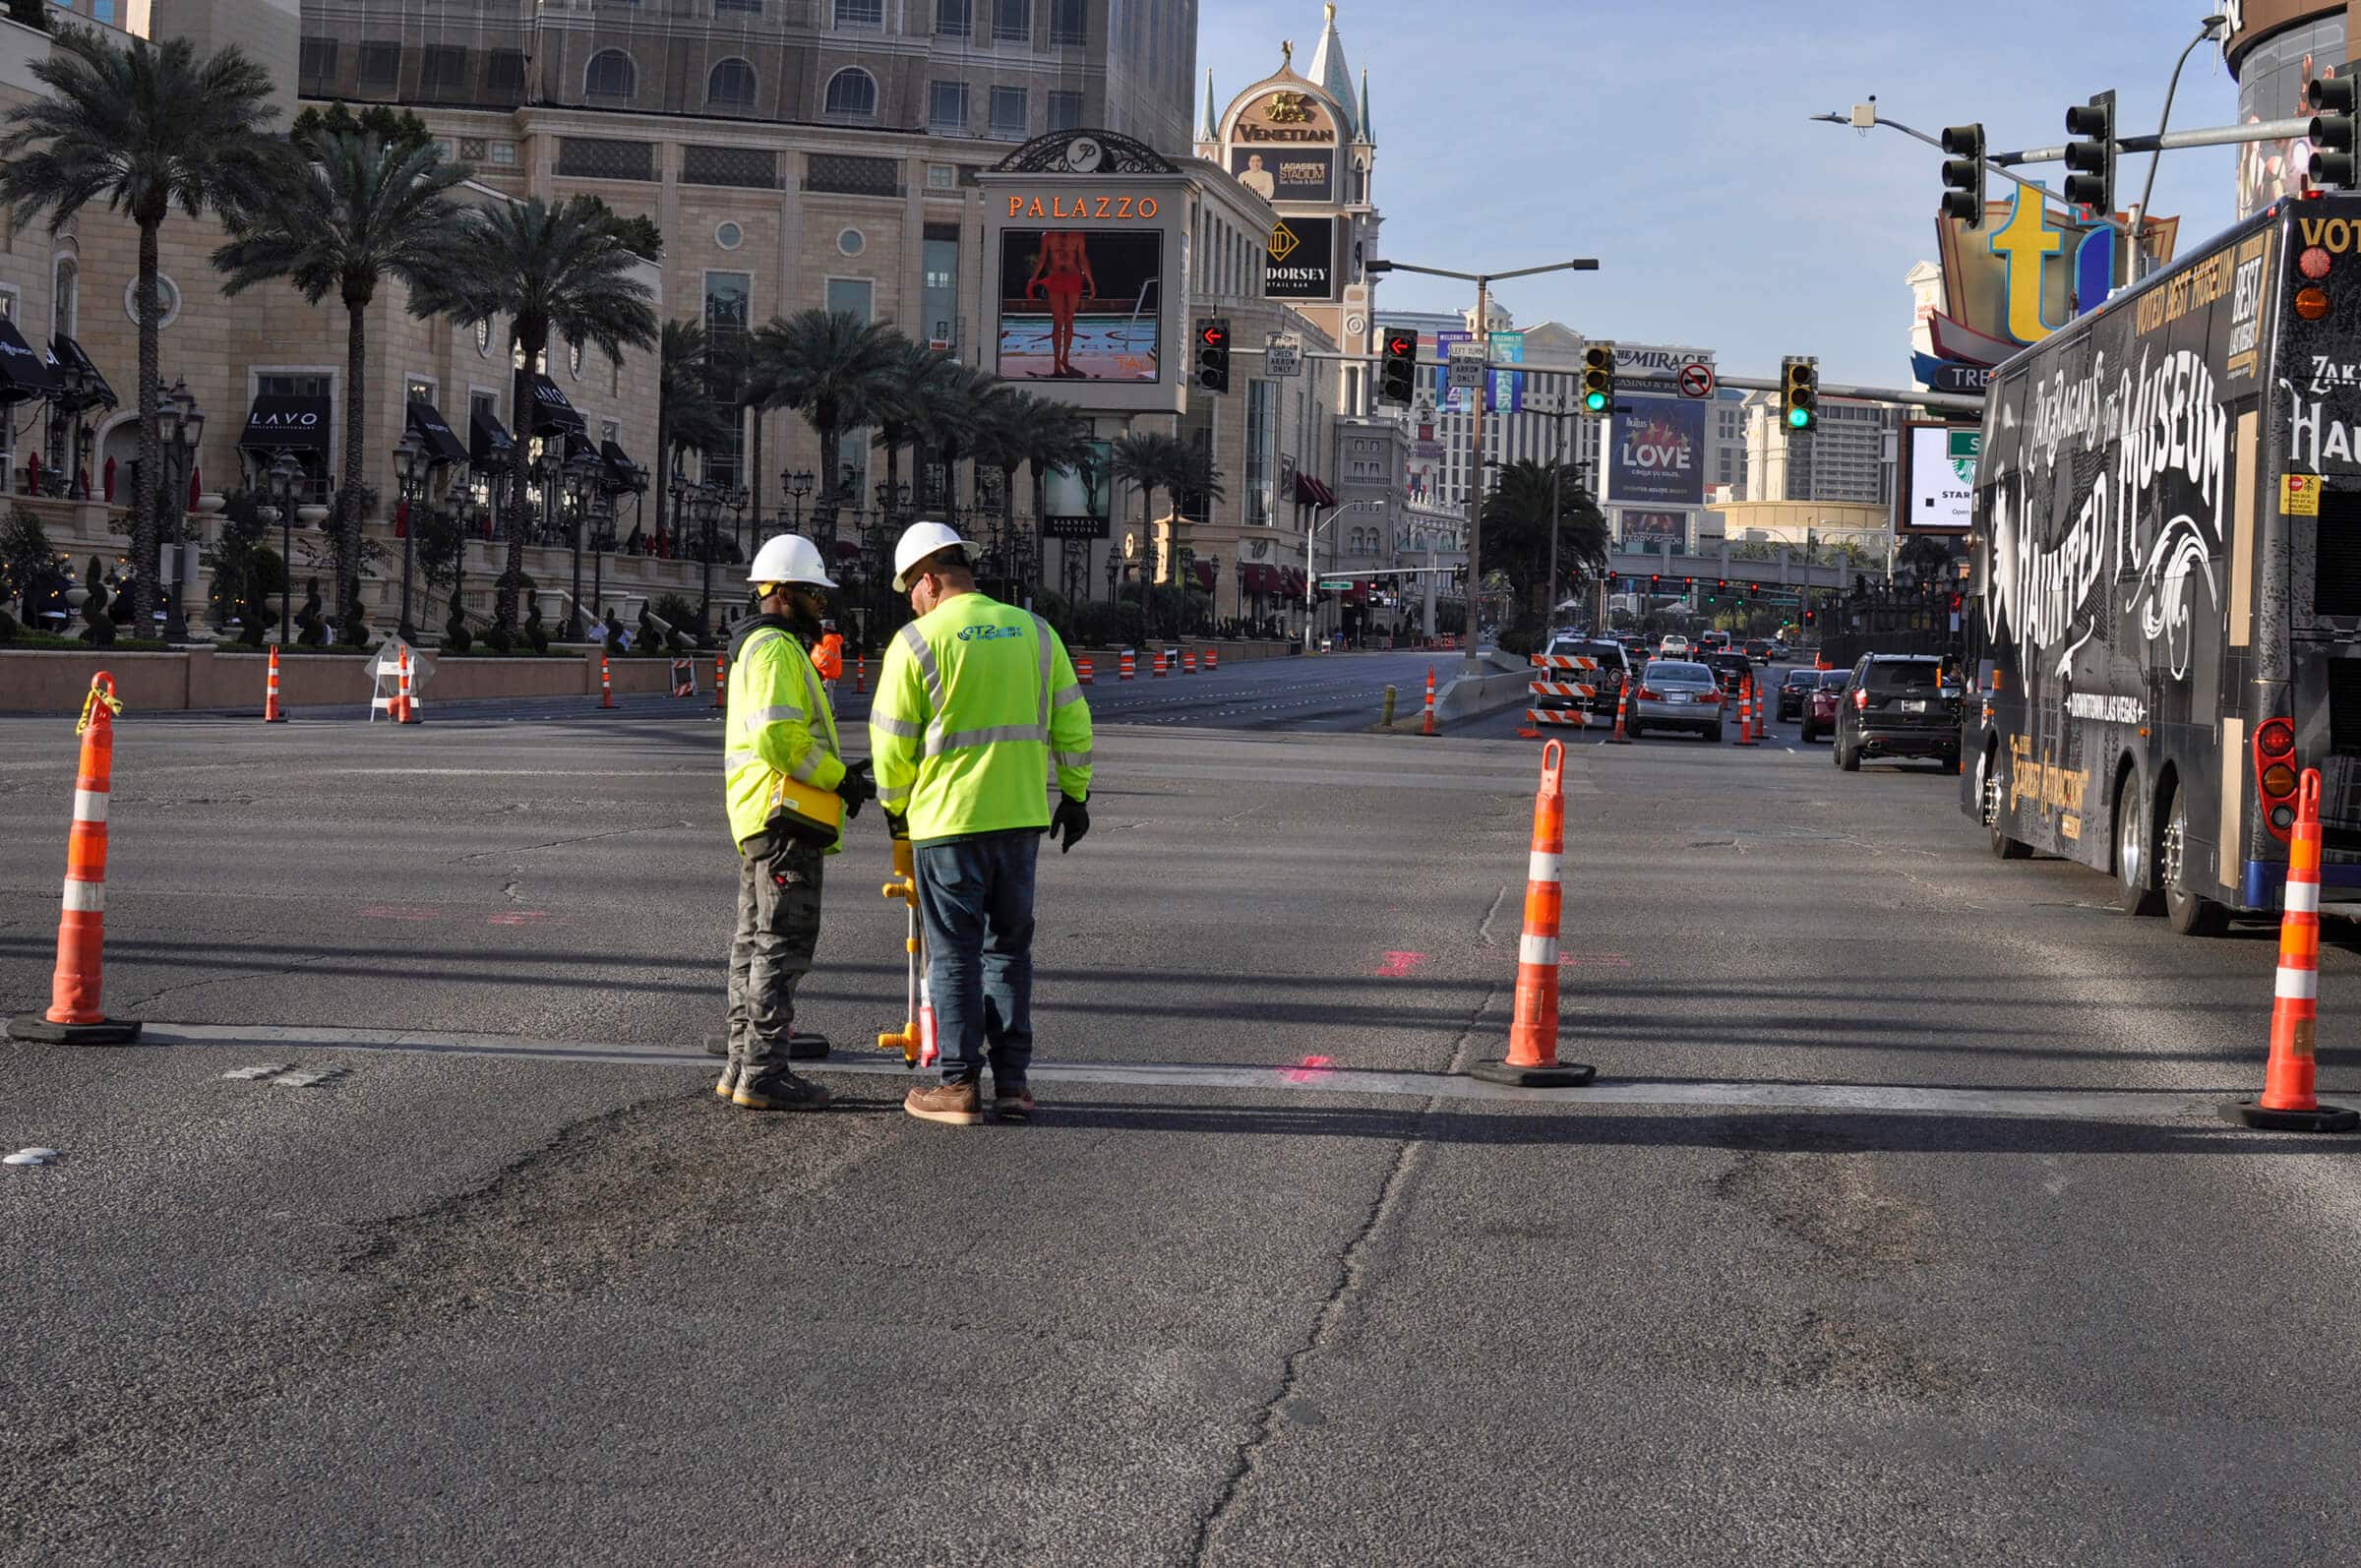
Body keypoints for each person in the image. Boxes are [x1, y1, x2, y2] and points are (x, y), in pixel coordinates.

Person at [871, 521, 1092, 1126]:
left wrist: (895, 805)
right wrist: (1074, 796)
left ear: (929, 581)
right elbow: (1072, 721)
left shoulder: (916, 643)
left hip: (946, 823)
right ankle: (1013, 1084)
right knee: (1009, 951)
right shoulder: (1036, 632)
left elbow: (892, 744)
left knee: (955, 954)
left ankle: (958, 1084)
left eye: (909, 590)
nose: (909, 601)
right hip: (1020, 819)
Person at [717, 533, 876, 1112]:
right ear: (782, 592)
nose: (821, 602)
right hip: (785, 815)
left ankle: (740, 1067)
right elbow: (780, 737)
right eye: (812, 591)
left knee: (753, 944)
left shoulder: (757, 646)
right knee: (781, 946)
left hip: (760, 815)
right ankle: (763, 1074)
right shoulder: (778, 650)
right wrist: (840, 778)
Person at [813, 619, 845, 709]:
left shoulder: (828, 640)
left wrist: (816, 668)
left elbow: (825, 660)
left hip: (825, 674)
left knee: (826, 698)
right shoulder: (831, 640)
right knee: (826, 697)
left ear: (824, 629)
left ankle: (831, 714)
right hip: (827, 674)